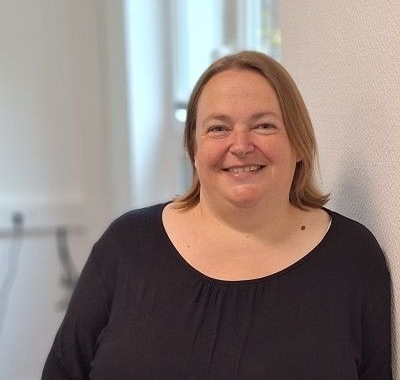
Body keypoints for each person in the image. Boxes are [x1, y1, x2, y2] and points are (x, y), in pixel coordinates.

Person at [42, 51, 392, 379]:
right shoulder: (126, 246)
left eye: (264, 125)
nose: (240, 146)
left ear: (298, 143)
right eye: (218, 128)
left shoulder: (352, 257)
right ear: (194, 149)